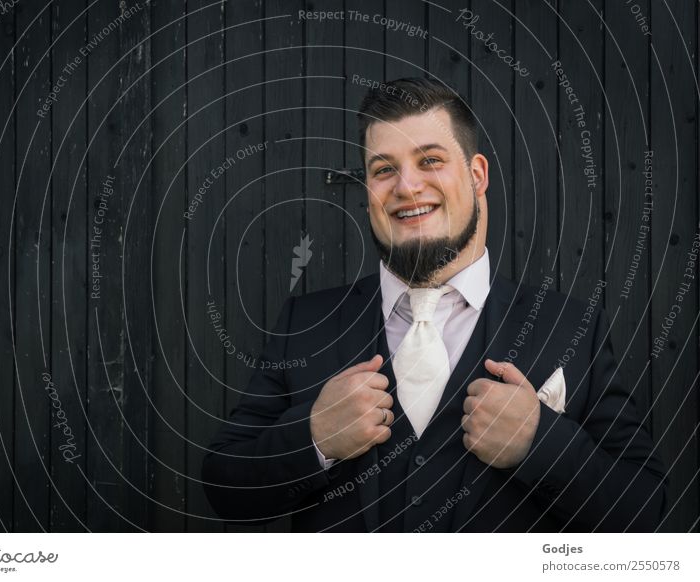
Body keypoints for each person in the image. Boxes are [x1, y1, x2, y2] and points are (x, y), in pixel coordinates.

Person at [201, 77, 667, 532]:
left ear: (477, 175)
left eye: (430, 160)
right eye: (384, 169)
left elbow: (644, 509)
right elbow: (226, 490)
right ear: (367, 193)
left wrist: (540, 443)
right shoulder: (305, 323)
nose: (406, 186)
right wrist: (313, 436)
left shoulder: (570, 328)